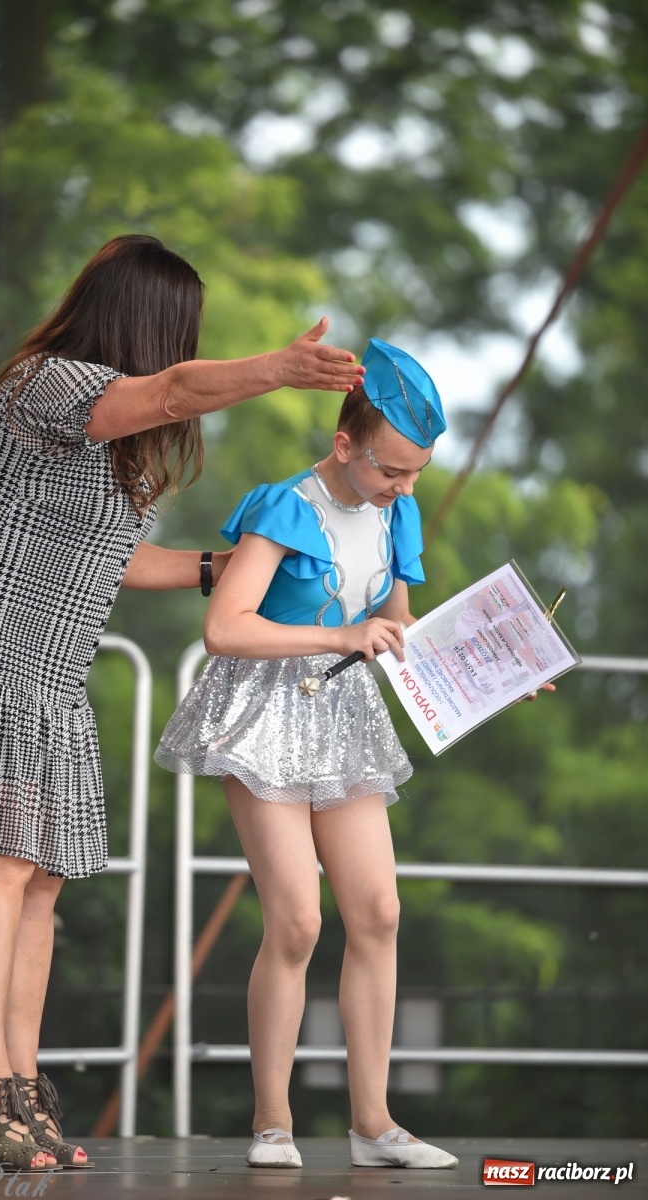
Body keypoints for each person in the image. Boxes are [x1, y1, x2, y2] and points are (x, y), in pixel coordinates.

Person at [0, 233, 363, 1172]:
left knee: (42, 877)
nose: (183, 348)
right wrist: (278, 368)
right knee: (1, 868)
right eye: (180, 330)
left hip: (52, 664)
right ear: (150, 325)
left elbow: (118, 557)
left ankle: (16, 1093)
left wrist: (230, 570)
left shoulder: (106, 431)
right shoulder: (48, 385)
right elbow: (179, 389)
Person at [155, 337, 461, 1170]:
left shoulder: (398, 511)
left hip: (345, 716)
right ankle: (271, 1123)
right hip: (262, 712)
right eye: (392, 470)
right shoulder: (284, 507)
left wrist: (490, 672)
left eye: (416, 473)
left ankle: (373, 1126)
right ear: (342, 445)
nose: (404, 487)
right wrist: (340, 634)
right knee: (295, 919)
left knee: (379, 912)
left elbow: (393, 629)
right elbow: (224, 628)